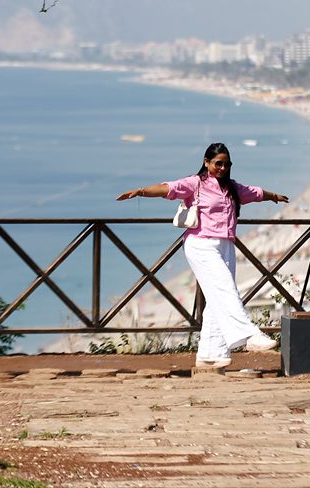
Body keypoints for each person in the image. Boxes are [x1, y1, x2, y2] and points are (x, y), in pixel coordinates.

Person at [117, 142, 289, 369]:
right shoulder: (195, 183)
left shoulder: (232, 188)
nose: (222, 168)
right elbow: (168, 188)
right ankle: (249, 335)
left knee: (217, 297)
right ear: (206, 162)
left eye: (227, 164)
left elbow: (256, 193)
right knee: (225, 289)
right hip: (201, 244)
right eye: (218, 163)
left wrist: (274, 196)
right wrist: (140, 191)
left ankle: (211, 354)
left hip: (226, 245)